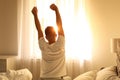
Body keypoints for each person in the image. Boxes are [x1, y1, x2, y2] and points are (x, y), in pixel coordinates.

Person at [32, 4, 67, 80]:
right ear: (56, 34)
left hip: (44, 78)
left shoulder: (43, 46)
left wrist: (35, 15)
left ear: (46, 37)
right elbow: (60, 25)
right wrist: (56, 10)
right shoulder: (60, 44)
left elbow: (39, 30)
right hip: (57, 78)